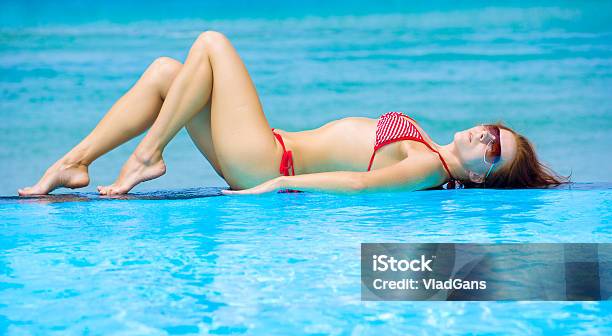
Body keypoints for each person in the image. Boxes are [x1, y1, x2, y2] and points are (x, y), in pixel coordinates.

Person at [18, 31, 568, 197]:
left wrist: (274, 189)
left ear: (478, 175)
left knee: (210, 44)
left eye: (493, 150)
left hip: (269, 164)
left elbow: (358, 184)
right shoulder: (428, 143)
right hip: (266, 149)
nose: (486, 136)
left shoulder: (430, 168)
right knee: (167, 72)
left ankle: (145, 157)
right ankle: (74, 164)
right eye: (495, 131)